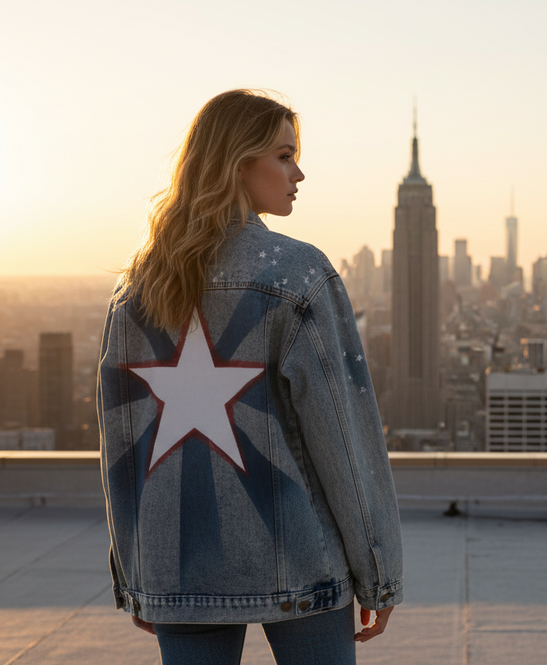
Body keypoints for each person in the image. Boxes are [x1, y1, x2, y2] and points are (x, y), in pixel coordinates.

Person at [97, 89, 403, 665]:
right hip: (302, 561)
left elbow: (121, 446)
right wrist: (378, 570)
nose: (299, 173)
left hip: (176, 566)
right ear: (240, 162)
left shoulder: (134, 287)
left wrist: (138, 571)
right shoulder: (298, 271)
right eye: (284, 156)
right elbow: (344, 435)